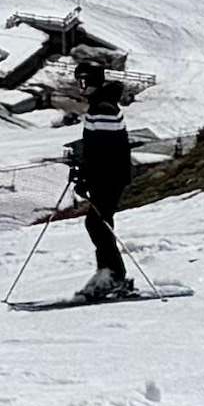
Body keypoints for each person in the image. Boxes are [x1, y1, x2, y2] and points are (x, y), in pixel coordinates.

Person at [65, 80, 142, 301]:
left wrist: (89, 175)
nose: (82, 87)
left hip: (109, 177)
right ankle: (108, 274)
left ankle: (114, 276)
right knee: (98, 223)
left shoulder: (104, 110)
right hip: (107, 176)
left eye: (86, 81)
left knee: (99, 223)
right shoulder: (101, 106)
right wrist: (83, 171)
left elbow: (106, 150)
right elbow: (95, 146)